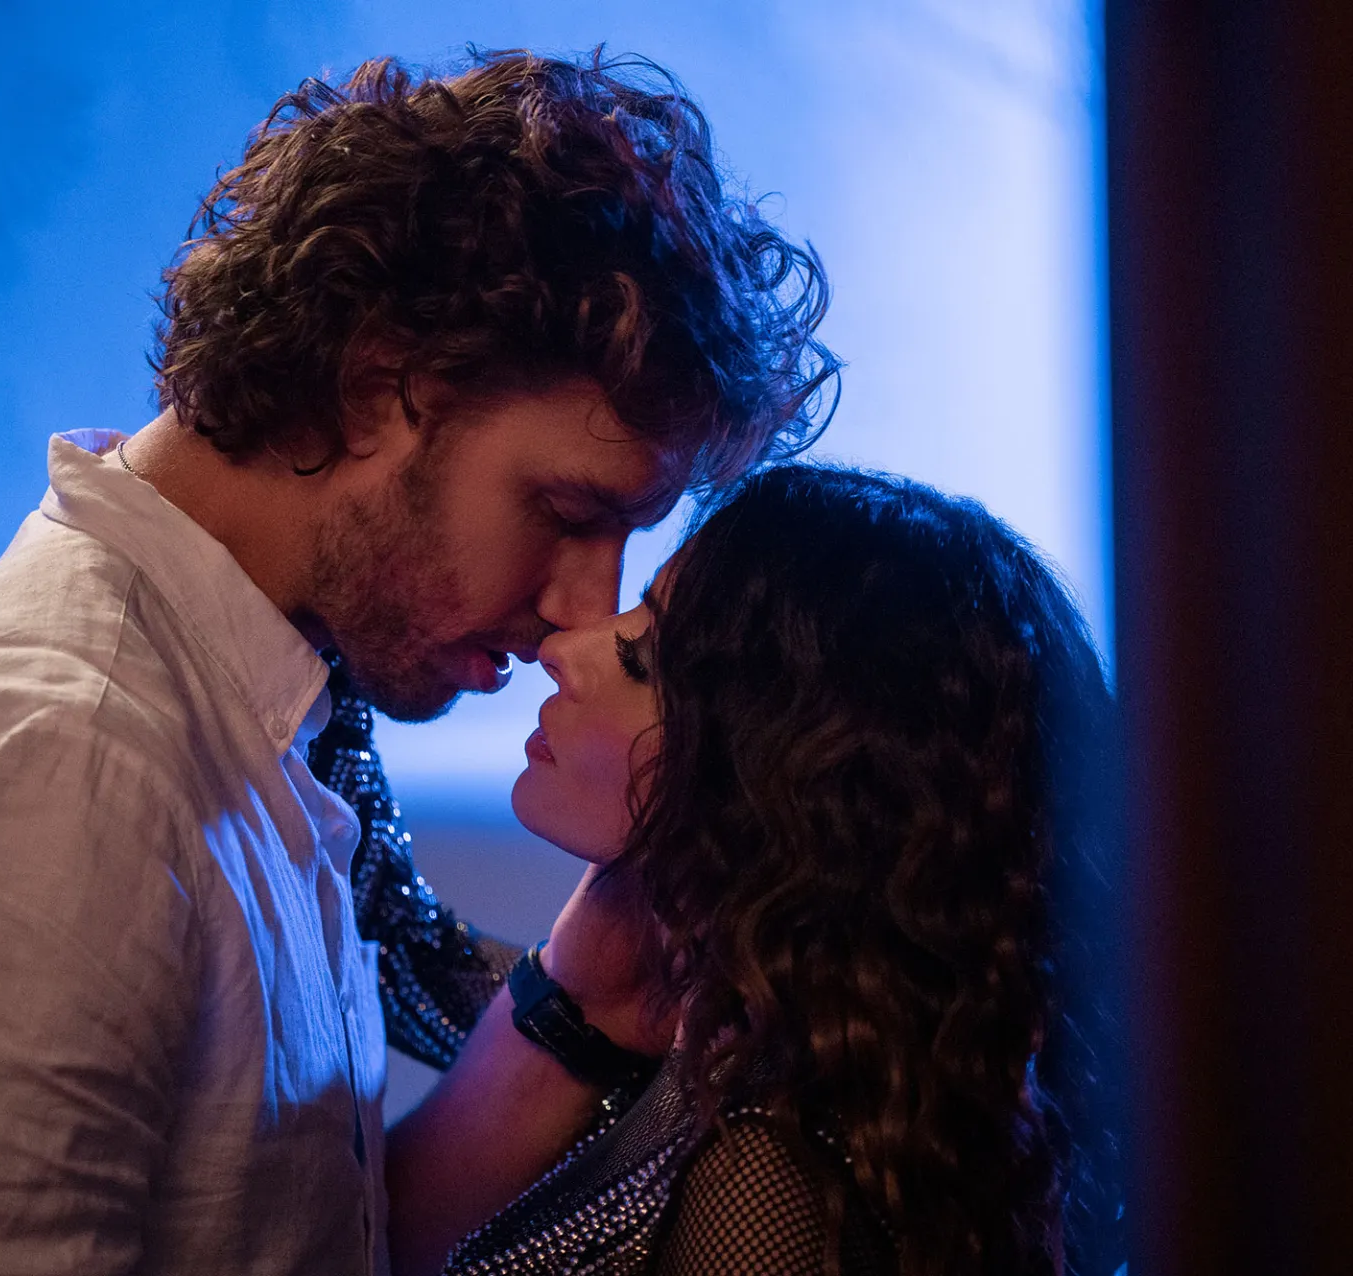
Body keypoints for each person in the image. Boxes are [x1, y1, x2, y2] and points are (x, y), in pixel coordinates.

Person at [0, 49, 835, 1275]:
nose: (581, 612)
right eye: (564, 511)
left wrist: (581, 1006)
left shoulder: (262, 713)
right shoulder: (55, 765)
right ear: (377, 384)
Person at [385, 466, 1125, 1276]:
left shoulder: (765, 1172)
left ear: (785, 780)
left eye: (642, 658)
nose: (562, 649)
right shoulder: (790, 1070)